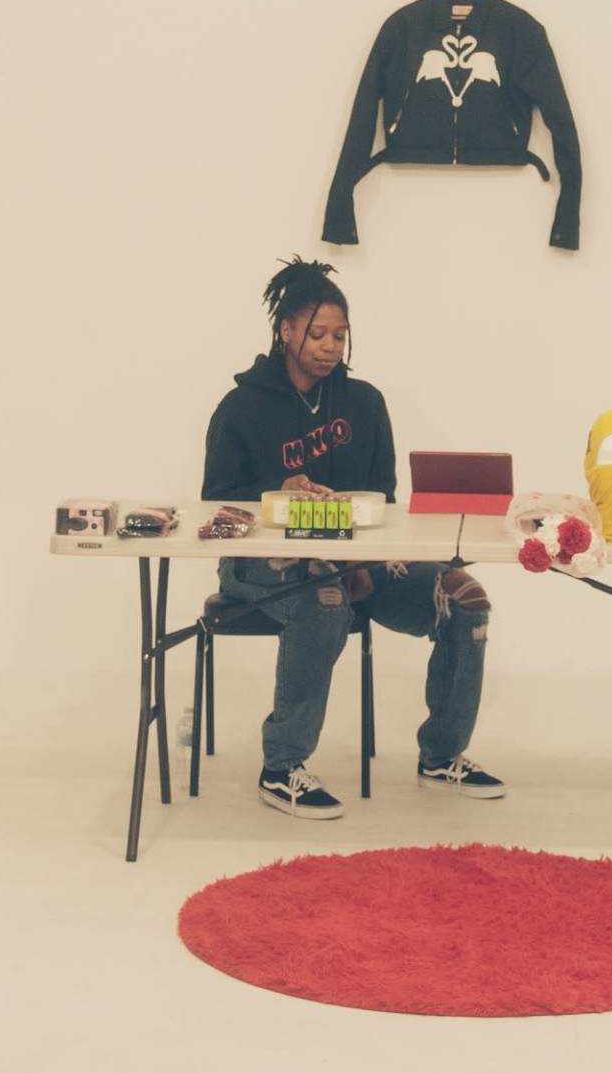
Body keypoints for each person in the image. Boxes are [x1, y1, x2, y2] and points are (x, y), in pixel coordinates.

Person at [198, 258, 502, 818]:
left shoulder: (365, 403)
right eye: (317, 333)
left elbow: (383, 496)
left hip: (357, 559)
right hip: (258, 562)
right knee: (325, 593)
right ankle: (282, 766)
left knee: (464, 598)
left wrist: (360, 558)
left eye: (339, 335)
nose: (330, 346)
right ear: (285, 330)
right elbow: (215, 503)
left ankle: (441, 755)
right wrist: (278, 491)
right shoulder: (242, 408)